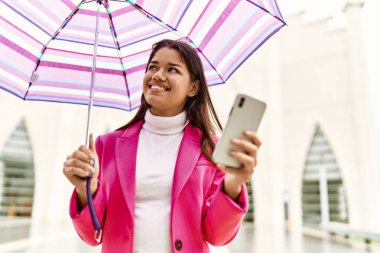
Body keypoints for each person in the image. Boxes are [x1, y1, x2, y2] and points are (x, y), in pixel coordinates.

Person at [63, 39, 262, 253]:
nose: (157, 75)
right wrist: (87, 191)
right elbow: (92, 236)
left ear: (193, 87)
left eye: (172, 69)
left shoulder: (211, 149)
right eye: (153, 67)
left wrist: (232, 184)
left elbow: (218, 236)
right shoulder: (106, 145)